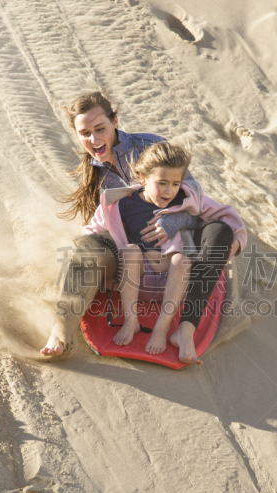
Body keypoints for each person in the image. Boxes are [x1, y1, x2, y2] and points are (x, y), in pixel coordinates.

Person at [41, 92, 246, 364]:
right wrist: (85, 258)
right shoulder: (96, 174)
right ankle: (62, 327)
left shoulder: (148, 148)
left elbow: (191, 198)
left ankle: (185, 327)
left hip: (175, 254)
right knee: (90, 248)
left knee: (220, 231)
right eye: (85, 133)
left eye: (100, 129)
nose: (94, 139)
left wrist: (174, 222)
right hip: (132, 261)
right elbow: (97, 228)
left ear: (115, 121)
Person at [80, 142, 245, 363]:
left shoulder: (188, 198)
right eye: (162, 183)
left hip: (175, 283)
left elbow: (225, 216)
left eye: (175, 183)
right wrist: (82, 256)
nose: (169, 190)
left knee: (181, 259)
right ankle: (132, 321)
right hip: (140, 283)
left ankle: (162, 328)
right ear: (143, 179)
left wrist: (236, 241)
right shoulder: (121, 204)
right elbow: (92, 233)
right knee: (130, 251)